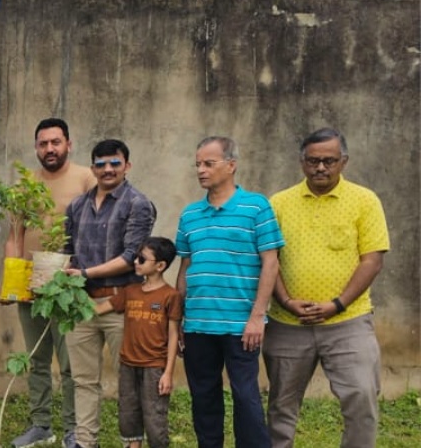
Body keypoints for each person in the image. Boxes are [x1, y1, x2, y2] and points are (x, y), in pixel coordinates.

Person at [266, 128, 389, 448]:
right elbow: (269, 260)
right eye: (313, 161)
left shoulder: (365, 200)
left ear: (343, 161)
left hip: (348, 322)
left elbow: (372, 260)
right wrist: (286, 299)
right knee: (281, 405)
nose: (321, 167)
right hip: (287, 322)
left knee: (362, 397)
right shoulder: (279, 202)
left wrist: (337, 304)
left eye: (329, 161)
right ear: (302, 162)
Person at [174, 136, 282, 448]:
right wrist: (180, 320)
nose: (201, 170)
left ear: (231, 165)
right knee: (203, 397)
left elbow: (271, 263)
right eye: (197, 164)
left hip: (241, 326)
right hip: (198, 325)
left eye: (209, 163)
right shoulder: (190, 215)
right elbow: (186, 267)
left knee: (246, 396)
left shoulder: (256, 207)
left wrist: (257, 318)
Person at [5, 118, 95, 448]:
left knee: (71, 364)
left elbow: (94, 233)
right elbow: (15, 237)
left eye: (56, 142)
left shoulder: (86, 178)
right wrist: (11, 283)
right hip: (30, 289)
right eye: (43, 143)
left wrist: (82, 275)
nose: (50, 149)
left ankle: (73, 429)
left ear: (68, 144)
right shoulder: (24, 186)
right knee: (37, 360)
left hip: (68, 289)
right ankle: (41, 424)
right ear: (36, 148)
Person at [61, 139, 157, 448]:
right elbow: (68, 253)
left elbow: (131, 257)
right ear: (92, 168)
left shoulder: (137, 204)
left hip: (121, 303)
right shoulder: (76, 206)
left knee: (129, 378)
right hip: (81, 304)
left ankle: (133, 441)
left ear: (127, 165)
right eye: (100, 164)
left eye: (114, 163)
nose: (107, 169)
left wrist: (86, 273)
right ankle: (85, 441)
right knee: (83, 380)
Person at [91, 237, 181, 448]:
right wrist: (66, 289)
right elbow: (97, 310)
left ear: (160, 266)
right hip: (128, 364)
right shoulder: (130, 291)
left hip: (154, 367)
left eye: (142, 259)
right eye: (136, 258)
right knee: (128, 413)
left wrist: (168, 372)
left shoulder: (171, 296)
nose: (136, 263)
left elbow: (174, 334)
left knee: (154, 416)